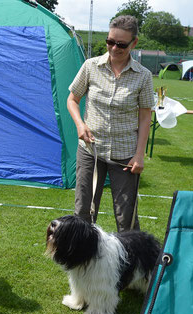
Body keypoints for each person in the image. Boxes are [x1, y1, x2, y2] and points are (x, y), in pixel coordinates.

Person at [66, 15, 154, 232]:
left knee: (126, 216)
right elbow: (72, 100)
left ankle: (133, 263)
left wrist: (139, 155)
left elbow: (145, 118)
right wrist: (80, 124)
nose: (114, 48)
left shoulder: (143, 76)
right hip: (90, 151)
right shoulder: (90, 67)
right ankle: (83, 260)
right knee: (83, 211)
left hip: (125, 155)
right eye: (110, 41)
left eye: (121, 44)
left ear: (134, 43)